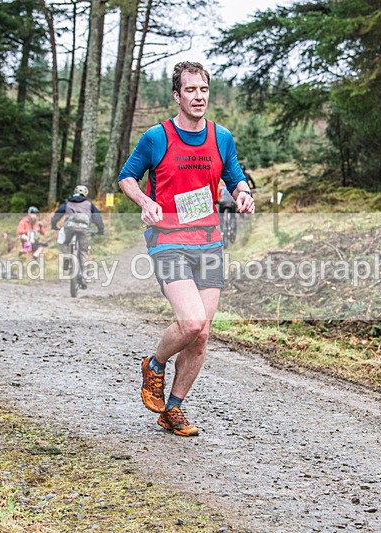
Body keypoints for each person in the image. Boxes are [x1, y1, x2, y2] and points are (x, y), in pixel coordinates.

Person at [118, 61, 255, 437]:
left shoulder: (221, 137)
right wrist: (145, 202)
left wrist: (244, 195)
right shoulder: (156, 137)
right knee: (191, 321)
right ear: (177, 95)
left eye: (204, 90)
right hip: (168, 241)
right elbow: (127, 177)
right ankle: (155, 363)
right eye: (190, 90)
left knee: (203, 333)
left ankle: (173, 409)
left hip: (208, 242)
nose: (198, 96)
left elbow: (236, 177)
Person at [50, 185, 105, 288]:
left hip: (69, 227)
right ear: (86, 194)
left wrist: (53, 225)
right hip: (84, 228)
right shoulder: (89, 204)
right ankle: (83, 277)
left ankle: (67, 256)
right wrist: (100, 230)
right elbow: (97, 217)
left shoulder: (68, 203)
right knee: (84, 251)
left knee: (65, 243)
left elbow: (57, 214)